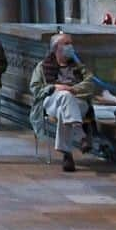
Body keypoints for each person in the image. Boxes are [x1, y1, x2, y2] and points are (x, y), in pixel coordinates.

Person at [30, 32, 98, 172]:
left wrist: (73, 89)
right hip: (52, 101)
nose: (70, 46)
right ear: (56, 48)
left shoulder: (78, 66)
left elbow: (90, 83)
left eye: (71, 43)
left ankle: (67, 155)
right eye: (66, 43)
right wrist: (54, 87)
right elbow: (36, 89)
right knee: (64, 96)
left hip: (78, 102)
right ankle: (81, 135)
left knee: (64, 107)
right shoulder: (43, 66)